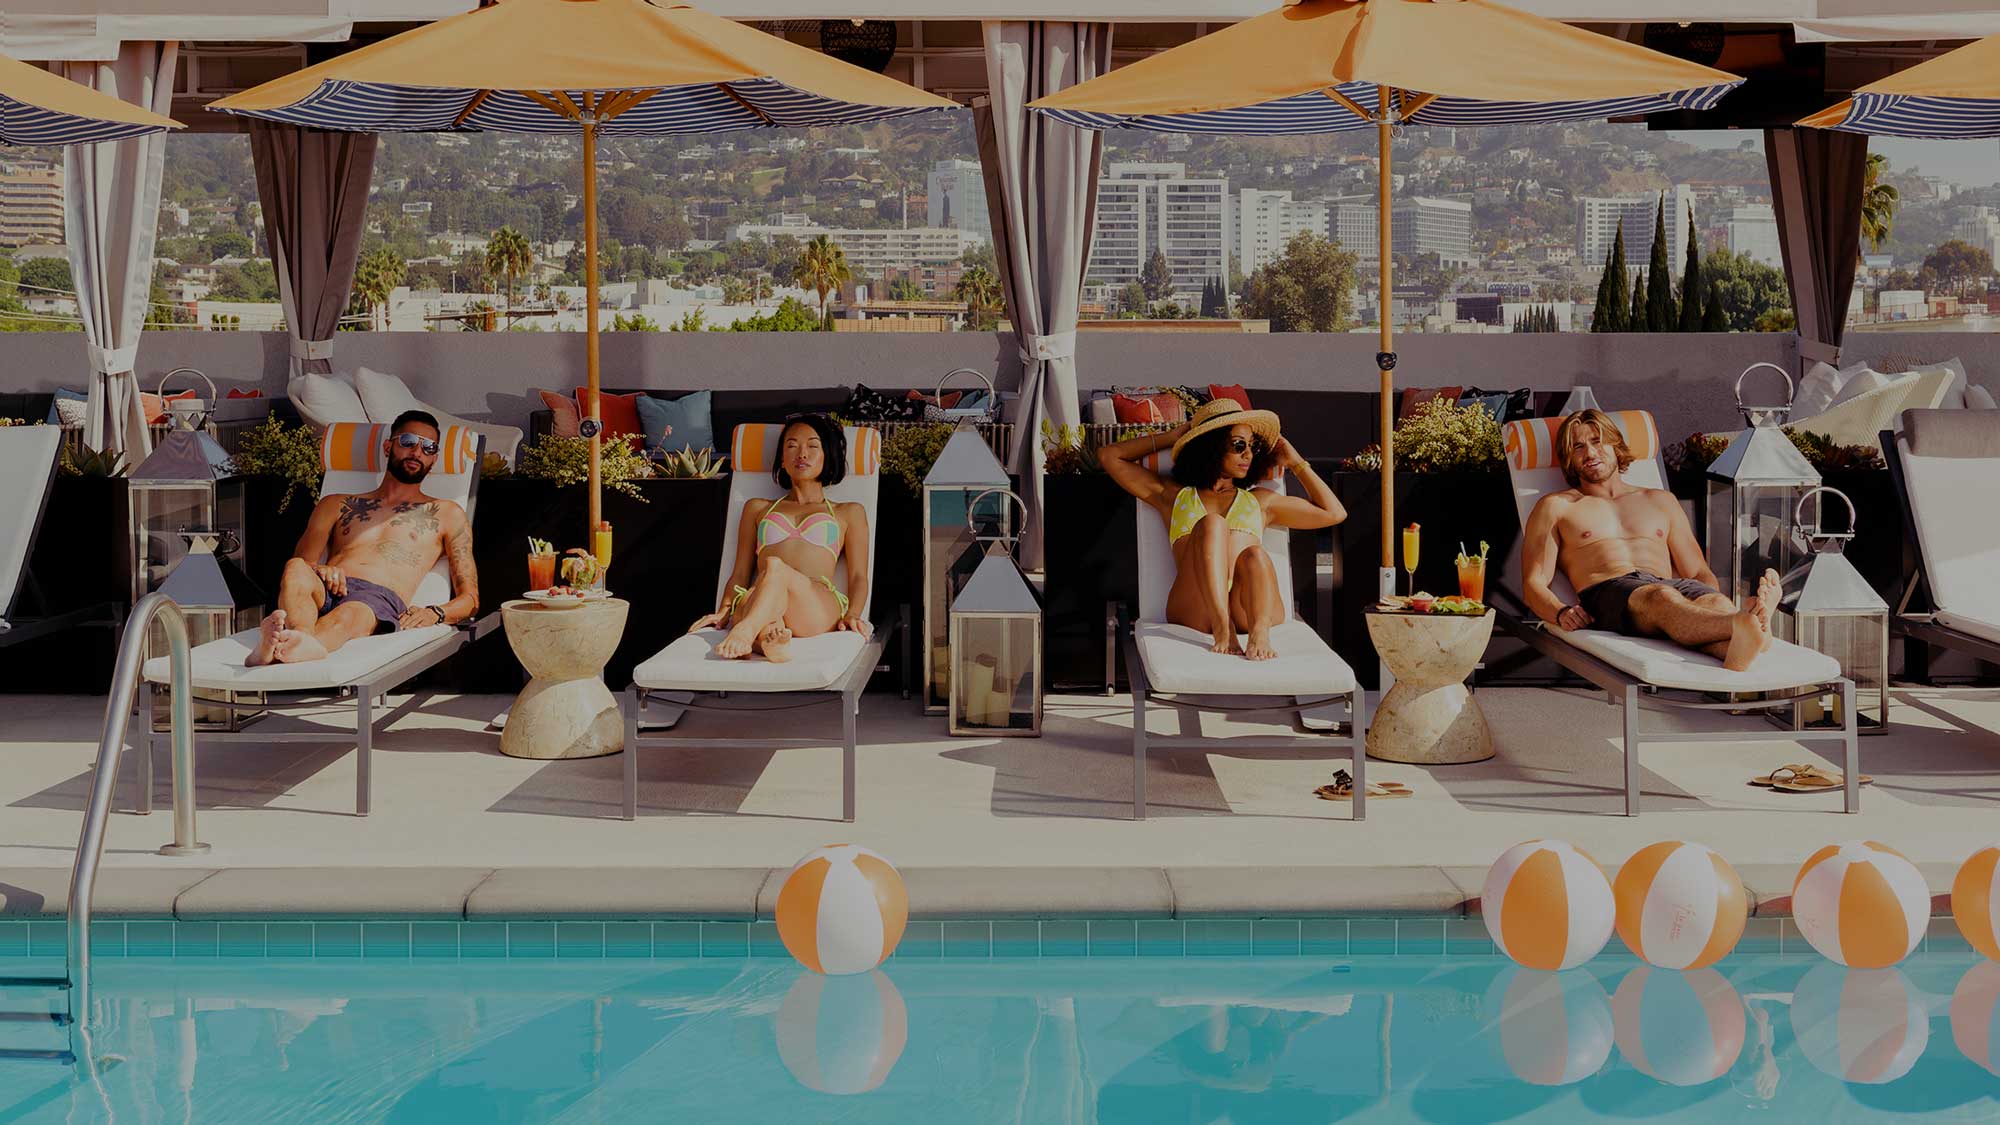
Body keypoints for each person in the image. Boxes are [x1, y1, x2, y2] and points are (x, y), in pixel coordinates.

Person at [1522, 408, 1778, 670]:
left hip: (1670, 587)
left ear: (1615, 445)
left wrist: (1710, 600)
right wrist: (1560, 612)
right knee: (1661, 597)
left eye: (1597, 442)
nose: (1589, 453)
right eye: (1578, 447)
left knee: (1714, 601)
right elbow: (1533, 583)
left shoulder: (1661, 501)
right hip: (1609, 592)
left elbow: (1698, 572)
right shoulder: (1557, 506)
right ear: (1569, 458)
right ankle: (1745, 622)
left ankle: (1742, 643)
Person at [1099, 398, 1346, 660]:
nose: (1248, 454)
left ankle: (1259, 632)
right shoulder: (1172, 496)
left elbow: (1335, 513)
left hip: (1248, 607)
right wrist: (1171, 438)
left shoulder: (1260, 501)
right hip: (1196, 609)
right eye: (1239, 445)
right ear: (1212, 447)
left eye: (1253, 446)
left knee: (1255, 555)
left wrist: (1296, 462)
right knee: (1212, 524)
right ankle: (1222, 625)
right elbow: (1109, 456)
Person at [248, 410, 479, 666]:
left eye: (429, 447)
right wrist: (321, 569)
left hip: (376, 599)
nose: (417, 452)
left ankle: (275, 651)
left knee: (348, 615)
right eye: (408, 441)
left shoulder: (447, 514)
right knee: (294, 567)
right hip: (326, 586)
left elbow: (471, 599)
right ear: (388, 447)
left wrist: (436, 612)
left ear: (434, 459)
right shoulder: (336, 503)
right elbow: (303, 563)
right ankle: (298, 639)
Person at [689, 413, 871, 662]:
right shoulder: (757, 508)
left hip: (813, 602)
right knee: (768, 589)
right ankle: (769, 643)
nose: (802, 454)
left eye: (813, 446)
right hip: (762, 596)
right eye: (792, 446)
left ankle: (746, 630)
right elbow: (740, 572)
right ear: (782, 460)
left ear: (828, 456)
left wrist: (853, 613)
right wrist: (724, 610)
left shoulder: (848, 512)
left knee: (775, 567)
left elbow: (859, 576)